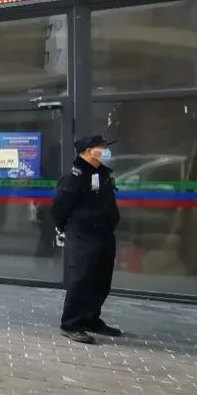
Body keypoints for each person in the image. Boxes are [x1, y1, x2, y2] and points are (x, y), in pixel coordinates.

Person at [53, 135, 121, 345]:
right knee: (80, 279)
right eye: (101, 147)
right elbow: (59, 207)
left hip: (104, 234)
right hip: (83, 235)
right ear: (88, 151)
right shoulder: (74, 177)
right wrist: (63, 228)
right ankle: (70, 323)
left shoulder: (103, 174)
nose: (105, 151)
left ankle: (91, 318)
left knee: (101, 280)